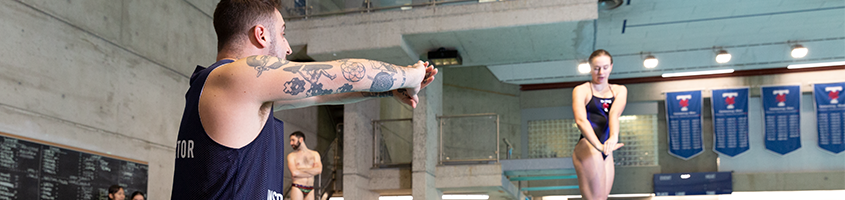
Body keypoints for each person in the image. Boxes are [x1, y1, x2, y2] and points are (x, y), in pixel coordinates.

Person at [171, 0, 437, 199]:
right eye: (283, 33)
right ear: (261, 34)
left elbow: (324, 92)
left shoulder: (228, 89)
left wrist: (388, 90)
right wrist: (412, 74)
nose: (287, 48)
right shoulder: (239, 75)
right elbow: (345, 74)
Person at [571, 49, 627, 200]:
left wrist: (614, 137)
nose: (601, 72)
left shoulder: (619, 90)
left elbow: (614, 115)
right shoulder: (582, 90)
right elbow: (581, 120)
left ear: (611, 67)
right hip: (588, 145)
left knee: (602, 198)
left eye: (605, 67)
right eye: (596, 68)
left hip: (606, 148)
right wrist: (597, 145)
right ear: (590, 68)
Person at [287, 131, 321, 200]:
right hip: (297, 187)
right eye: (290, 141)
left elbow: (319, 170)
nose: (291, 143)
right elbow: (294, 173)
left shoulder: (315, 154)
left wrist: (301, 169)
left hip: (310, 188)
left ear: (301, 139)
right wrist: (311, 172)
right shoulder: (292, 156)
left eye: (293, 140)